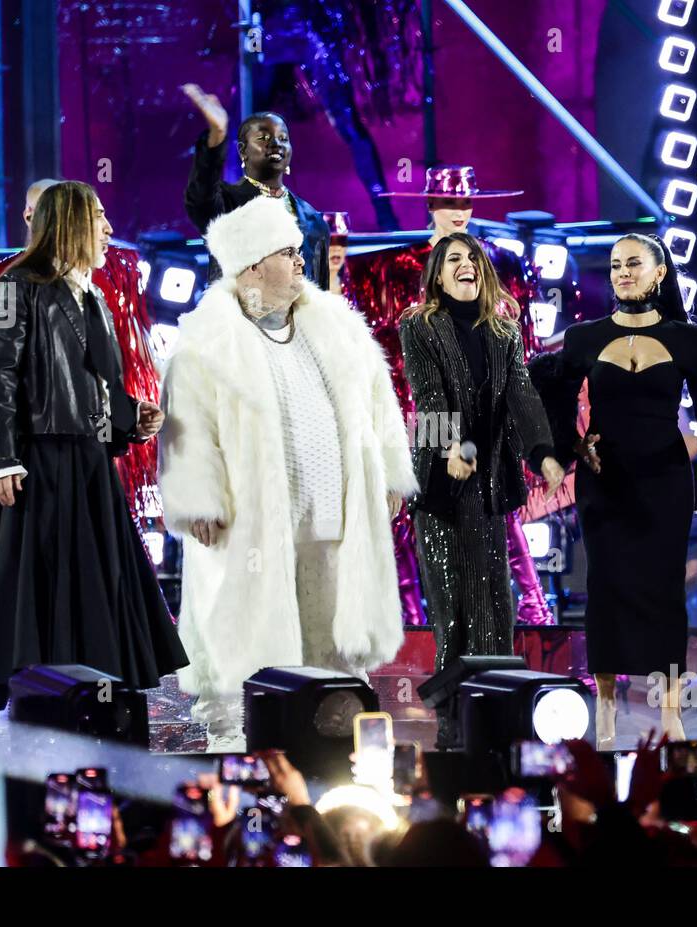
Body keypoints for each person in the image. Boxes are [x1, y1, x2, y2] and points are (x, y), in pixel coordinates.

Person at [159, 197, 416, 745]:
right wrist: (197, 497)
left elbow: (380, 403)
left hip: (333, 520)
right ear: (253, 265)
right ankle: (239, 742)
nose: (303, 262)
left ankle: (341, 737)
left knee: (334, 639)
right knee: (247, 635)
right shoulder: (208, 339)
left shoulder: (336, 325)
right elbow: (185, 426)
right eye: (288, 253)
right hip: (250, 524)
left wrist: (391, 471)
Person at [0, 181, 186, 734]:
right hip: (39, 458)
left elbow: (97, 384)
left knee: (89, 575)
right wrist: (0, 459)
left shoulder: (91, 294)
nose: (107, 228)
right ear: (72, 222)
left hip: (87, 459)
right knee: (22, 575)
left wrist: (132, 419)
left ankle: (95, 687)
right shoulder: (19, 283)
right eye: (98, 217)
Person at [343, 164, 558, 627]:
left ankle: (531, 604)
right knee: (415, 506)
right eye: (449, 202)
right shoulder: (392, 268)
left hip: (484, 407)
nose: (459, 210)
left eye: (465, 202)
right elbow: (376, 348)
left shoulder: (500, 262)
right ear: (430, 205)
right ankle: (416, 616)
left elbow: (520, 348)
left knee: (499, 502)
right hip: (419, 407)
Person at [537, 234, 697, 746]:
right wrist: (571, 446)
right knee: (608, 587)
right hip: (605, 479)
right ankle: (606, 704)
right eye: (616, 265)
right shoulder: (583, 338)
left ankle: (669, 710)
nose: (622, 272)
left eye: (633, 264)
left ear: (659, 272)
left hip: (664, 479)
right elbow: (551, 400)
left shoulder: (688, 338)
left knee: (663, 588)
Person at [399, 235, 564, 701]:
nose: (466, 264)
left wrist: (543, 454)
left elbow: (523, 398)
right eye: (454, 259)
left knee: (494, 608)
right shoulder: (421, 327)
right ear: (438, 275)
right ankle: (452, 726)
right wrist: (452, 447)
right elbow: (428, 395)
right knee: (452, 615)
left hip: (489, 488)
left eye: (473, 258)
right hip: (441, 487)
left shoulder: (504, 333)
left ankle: (492, 716)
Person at [182, 84, 330, 288]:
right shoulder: (228, 204)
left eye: (283, 138)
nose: (276, 143)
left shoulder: (313, 220)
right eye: (263, 138)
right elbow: (201, 196)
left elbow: (319, 296)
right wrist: (217, 134)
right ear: (243, 151)